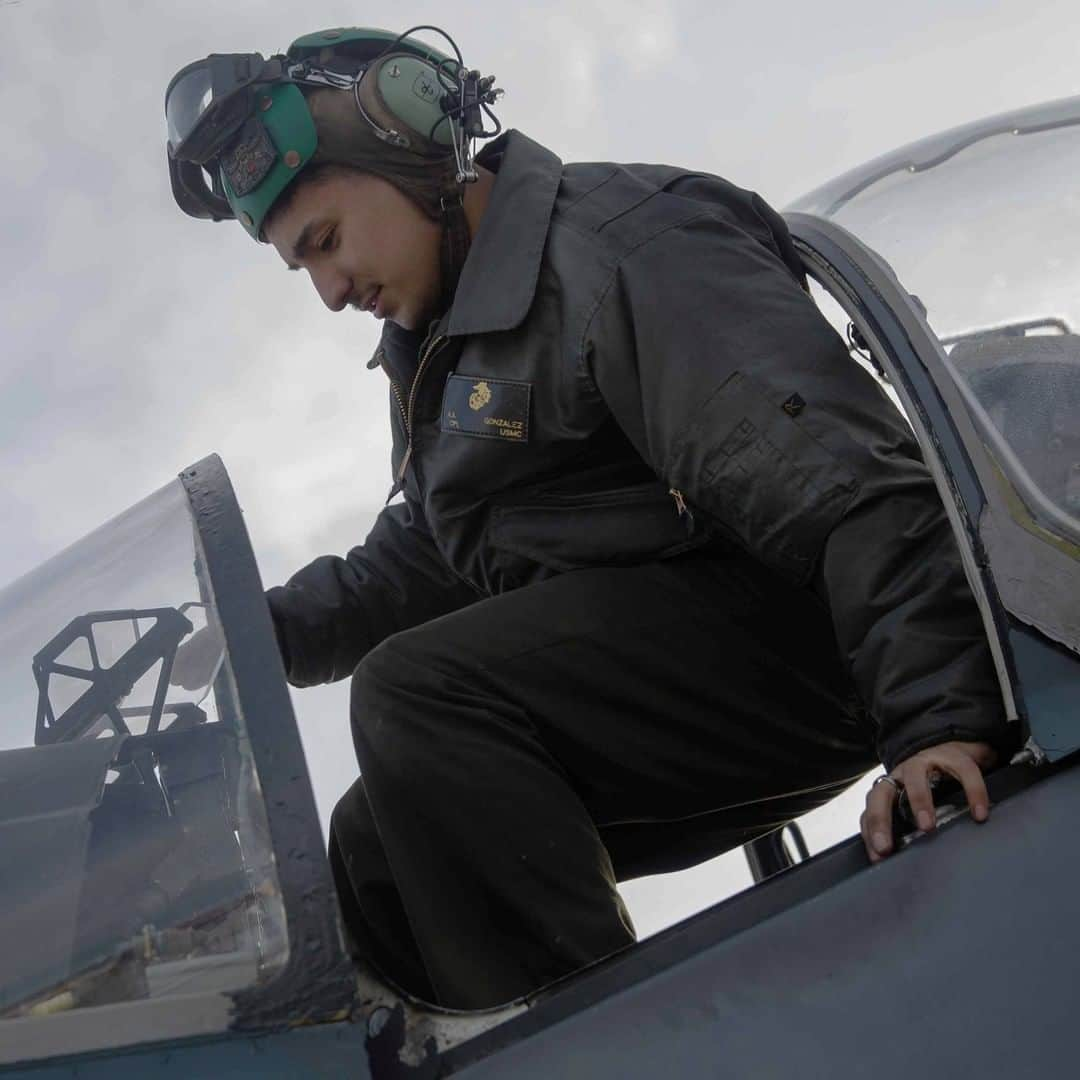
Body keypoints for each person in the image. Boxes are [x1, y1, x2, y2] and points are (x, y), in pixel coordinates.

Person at [166, 26, 1014, 1010]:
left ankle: (607, 1039)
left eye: (325, 242)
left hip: (826, 634)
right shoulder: (463, 350)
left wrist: (941, 719)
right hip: (690, 664)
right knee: (378, 843)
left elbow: (839, 482)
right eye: (301, 268)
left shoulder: (621, 249)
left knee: (422, 696)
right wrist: (251, 636)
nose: (329, 292)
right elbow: (417, 563)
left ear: (408, 141)